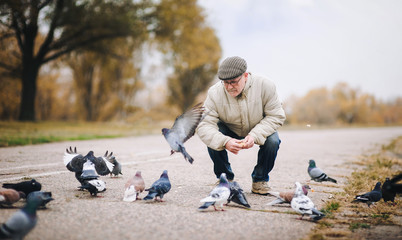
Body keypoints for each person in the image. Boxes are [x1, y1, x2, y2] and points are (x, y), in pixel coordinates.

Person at [197, 56, 286, 195]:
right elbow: (203, 125)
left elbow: (276, 115)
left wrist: (255, 135)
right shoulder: (214, 93)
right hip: (229, 128)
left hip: (258, 127)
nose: (229, 87)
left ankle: (260, 180)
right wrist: (224, 141)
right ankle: (225, 179)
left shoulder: (266, 85)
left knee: (273, 141)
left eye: (233, 82)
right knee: (213, 136)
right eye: (225, 82)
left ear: (245, 76)